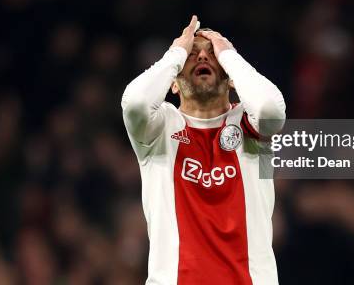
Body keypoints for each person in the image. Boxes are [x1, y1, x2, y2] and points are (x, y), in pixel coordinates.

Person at [121, 15, 286, 284]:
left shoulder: (251, 126)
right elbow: (136, 103)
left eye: (211, 54)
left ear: (231, 78)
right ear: (172, 83)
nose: (201, 57)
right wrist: (176, 51)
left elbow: (271, 108)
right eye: (192, 54)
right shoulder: (160, 128)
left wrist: (229, 55)